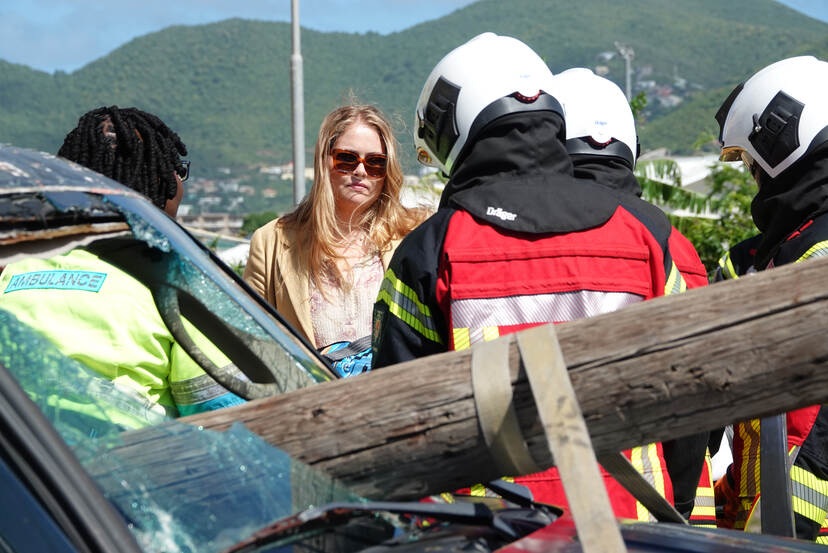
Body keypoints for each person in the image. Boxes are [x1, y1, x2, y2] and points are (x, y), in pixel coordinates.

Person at [371, 33, 691, 522]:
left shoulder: (431, 249)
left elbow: (398, 425)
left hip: (496, 528)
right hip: (634, 524)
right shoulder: (646, 234)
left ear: (459, 125)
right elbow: (691, 396)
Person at [549, 67, 715, 527]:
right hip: (666, 510)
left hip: (554, 507)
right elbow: (698, 391)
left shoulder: (539, 234)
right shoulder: (672, 242)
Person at [0, 106, 244, 418]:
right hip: (130, 459)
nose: (180, 185)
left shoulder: (18, 268)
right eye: (178, 171)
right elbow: (223, 414)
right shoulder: (178, 282)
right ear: (158, 182)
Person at [714, 55, 828, 543]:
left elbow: (813, 433)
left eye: (752, 165)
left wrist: (775, 536)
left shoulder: (816, 259)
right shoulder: (772, 257)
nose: (753, 181)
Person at [244, 104, 426, 376]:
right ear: (324, 160)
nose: (361, 171)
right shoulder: (271, 241)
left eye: (375, 162)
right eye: (347, 159)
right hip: (310, 407)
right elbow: (248, 338)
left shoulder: (415, 235)